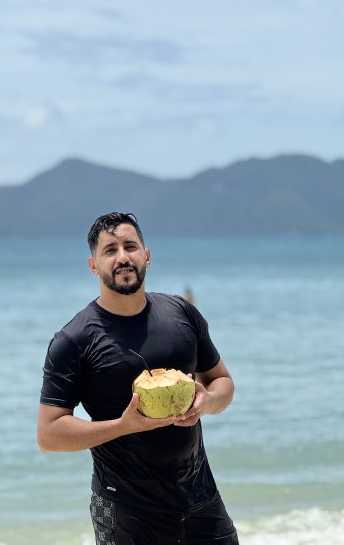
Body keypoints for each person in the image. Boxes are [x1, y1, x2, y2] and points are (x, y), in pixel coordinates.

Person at [37, 212, 239, 545]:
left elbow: (223, 383)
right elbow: (49, 435)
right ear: (93, 265)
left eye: (130, 246)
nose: (122, 257)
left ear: (146, 256)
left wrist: (207, 402)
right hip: (124, 509)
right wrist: (123, 426)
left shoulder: (182, 314)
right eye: (110, 250)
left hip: (201, 499)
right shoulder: (74, 340)